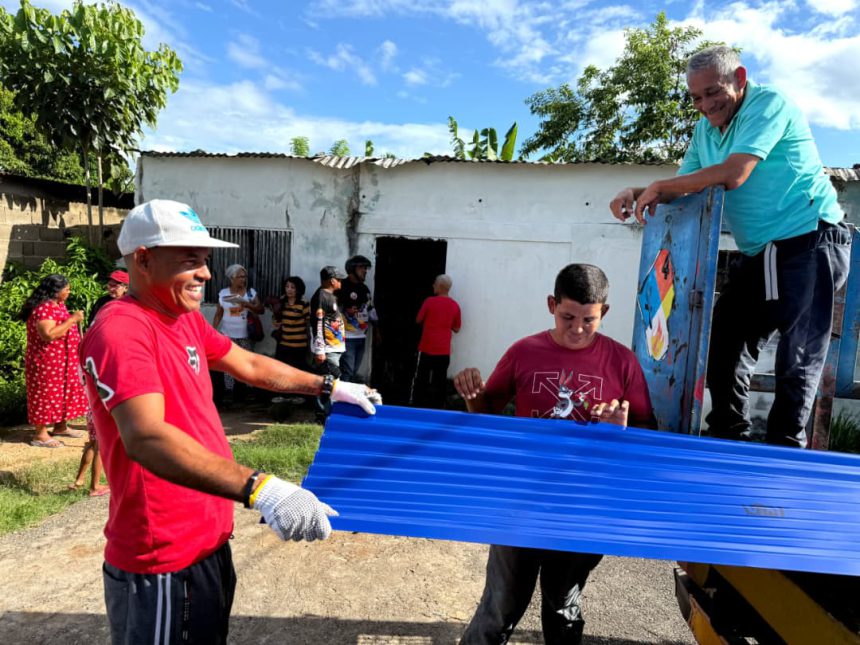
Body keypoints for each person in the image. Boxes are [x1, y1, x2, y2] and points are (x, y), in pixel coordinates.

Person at [79, 199, 382, 645]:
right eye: (191, 260)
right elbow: (146, 438)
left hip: (207, 539)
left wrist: (328, 387)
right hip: (163, 552)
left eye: (205, 261)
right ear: (143, 259)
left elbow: (250, 365)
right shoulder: (122, 330)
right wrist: (262, 489)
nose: (206, 274)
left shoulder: (182, 320)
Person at [610, 45, 852, 448]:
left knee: (798, 355)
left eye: (713, 92)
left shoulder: (768, 104)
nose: (705, 105)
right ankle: (726, 434)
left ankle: (784, 451)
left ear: (739, 78)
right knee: (723, 337)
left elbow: (734, 173)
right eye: (696, 97)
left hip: (810, 239)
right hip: (762, 252)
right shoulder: (706, 130)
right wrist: (636, 191)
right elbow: (683, 187)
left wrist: (661, 187)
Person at [454, 264, 655, 645]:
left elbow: (649, 435)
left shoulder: (622, 362)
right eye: (568, 317)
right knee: (499, 607)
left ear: (604, 313)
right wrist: (472, 394)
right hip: (520, 500)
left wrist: (621, 431)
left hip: (584, 508)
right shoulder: (524, 351)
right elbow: (487, 413)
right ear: (551, 305)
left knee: (562, 607)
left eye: (589, 320)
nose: (577, 328)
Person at [70, 271, 129, 495]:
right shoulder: (103, 303)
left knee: (95, 439)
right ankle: (95, 485)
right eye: (110, 283)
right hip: (102, 377)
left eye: (117, 284)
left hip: (100, 374)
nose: (111, 287)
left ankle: (80, 480)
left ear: (126, 287)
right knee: (101, 441)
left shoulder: (126, 306)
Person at [19, 274, 88, 448]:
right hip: (46, 363)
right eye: (67, 289)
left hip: (62, 362)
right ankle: (40, 435)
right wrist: (72, 319)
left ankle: (60, 427)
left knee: (63, 393)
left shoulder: (58, 305)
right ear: (56, 291)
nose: (69, 292)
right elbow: (48, 334)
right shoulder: (43, 309)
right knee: (44, 395)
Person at [211, 263, 264, 404]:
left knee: (244, 364)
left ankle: (242, 394)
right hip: (227, 335)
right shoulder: (223, 294)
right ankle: (230, 394)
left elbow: (261, 310)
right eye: (240, 277)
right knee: (228, 365)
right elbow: (218, 314)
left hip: (245, 336)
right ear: (231, 278)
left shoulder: (250, 293)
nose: (243, 279)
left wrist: (248, 305)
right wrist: (214, 331)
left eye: (244, 276)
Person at [410, 274, 461, 409]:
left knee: (421, 379)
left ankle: (416, 405)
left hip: (426, 348)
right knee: (440, 382)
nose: (433, 286)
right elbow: (456, 328)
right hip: (443, 351)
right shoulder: (455, 305)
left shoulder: (429, 302)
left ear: (439, 286)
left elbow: (418, 320)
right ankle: (438, 408)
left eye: (434, 284)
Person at [311, 265, 348, 418]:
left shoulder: (330, 296)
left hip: (335, 346)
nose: (341, 282)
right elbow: (317, 323)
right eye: (339, 279)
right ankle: (324, 415)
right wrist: (320, 350)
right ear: (332, 281)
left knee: (333, 380)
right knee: (328, 381)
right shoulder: (321, 296)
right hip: (328, 349)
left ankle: (328, 413)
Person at [335, 255, 378, 383]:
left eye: (366, 268)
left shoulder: (364, 289)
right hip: (346, 337)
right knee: (347, 372)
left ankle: (344, 398)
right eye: (362, 268)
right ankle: (337, 400)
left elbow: (371, 309)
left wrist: (377, 330)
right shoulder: (341, 287)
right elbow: (331, 309)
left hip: (361, 337)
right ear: (352, 269)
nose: (365, 271)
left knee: (353, 371)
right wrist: (344, 310)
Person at [273, 276, 310, 370]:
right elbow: (275, 317)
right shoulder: (281, 302)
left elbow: (309, 322)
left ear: (298, 289)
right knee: (281, 370)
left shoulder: (303, 303)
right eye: (287, 286)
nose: (289, 289)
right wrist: (276, 323)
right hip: (283, 344)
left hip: (299, 345)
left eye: (292, 287)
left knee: (297, 371)